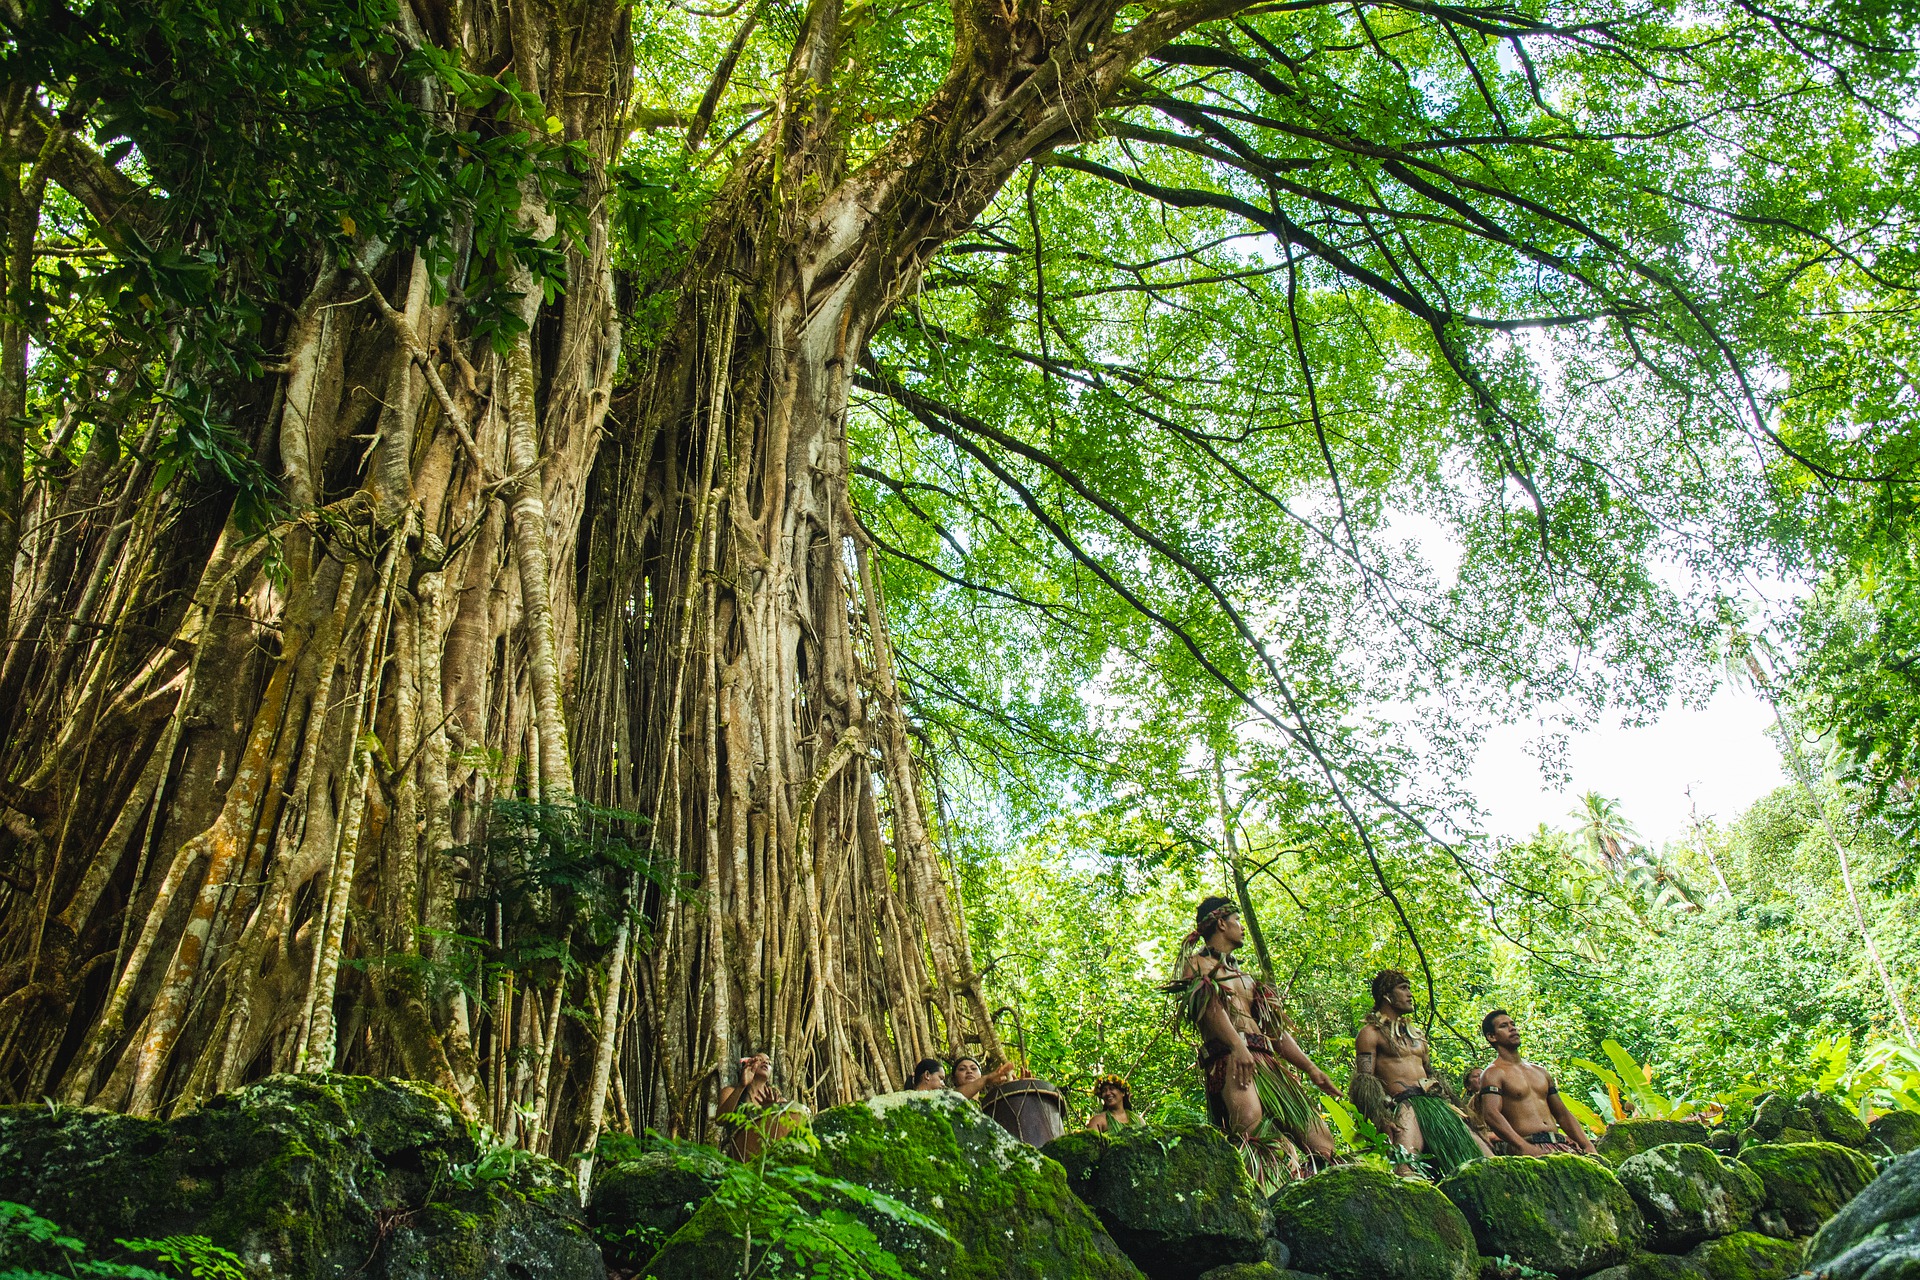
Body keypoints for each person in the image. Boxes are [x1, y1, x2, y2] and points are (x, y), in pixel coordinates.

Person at [1164, 896, 1342, 1189]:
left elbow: (1275, 1030)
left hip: (1266, 1061)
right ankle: (1270, 1199)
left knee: (1319, 1139)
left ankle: (1325, 1190)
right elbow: (1210, 1010)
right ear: (1221, 923)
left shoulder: (1247, 978)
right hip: (1231, 1061)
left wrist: (1311, 1068)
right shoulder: (1197, 965)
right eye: (1238, 921)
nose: (1243, 928)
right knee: (1253, 1132)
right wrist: (1237, 1046)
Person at [1349, 970, 1492, 1178]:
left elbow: (1430, 1073)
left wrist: (1454, 1107)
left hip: (1435, 1106)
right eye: (1403, 988)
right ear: (1386, 995)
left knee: (1486, 1159)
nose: (1410, 994)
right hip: (1405, 1106)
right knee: (1405, 1167)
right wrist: (1381, 1117)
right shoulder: (1371, 1033)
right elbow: (1365, 1082)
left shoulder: (1418, 1036)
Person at [1477, 1010, 1598, 1156]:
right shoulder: (1493, 1073)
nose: (1512, 1028)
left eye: (1513, 1024)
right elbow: (1491, 1114)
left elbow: (1562, 1114)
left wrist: (1587, 1144)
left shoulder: (1540, 1072)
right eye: (1504, 1026)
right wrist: (1522, 1146)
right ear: (1492, 1036)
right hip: (1527, 1146)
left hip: (1558, 1145)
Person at [715, 1051, 809, 1160]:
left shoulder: (779, 1101)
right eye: (759, 1059)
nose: (765, 1062)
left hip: (771, 1160)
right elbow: (720, 1119)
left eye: (768, 1062)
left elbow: (786, 1136)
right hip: (739, 1158)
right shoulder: (730, 1092)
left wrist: (770, 1110)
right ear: (747, 1065)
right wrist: (742, 1085)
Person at [952, 1054, 1017, 1101]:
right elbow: (954, 1097)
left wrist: (1021, 1087)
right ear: (953, 1079)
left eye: (974, 1068)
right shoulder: (945, 1098)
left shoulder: (988, 1104)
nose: (969, 1071)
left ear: (981, 1076)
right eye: (962, 1069)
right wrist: (986, 1079)